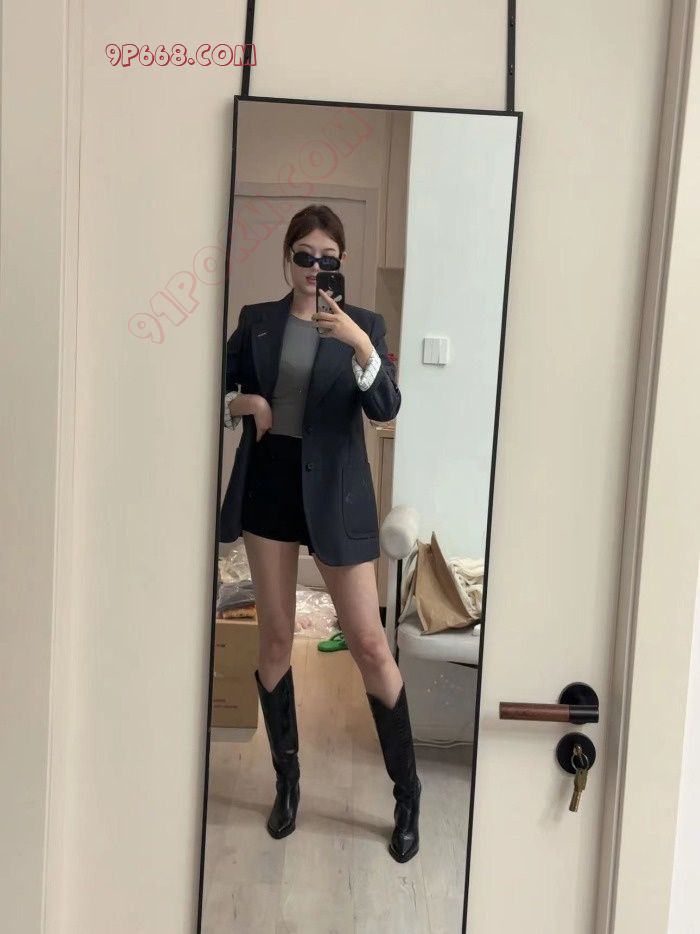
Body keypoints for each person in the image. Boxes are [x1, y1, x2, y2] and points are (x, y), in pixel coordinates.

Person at [221, 204, 421, 863]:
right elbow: (214, 389)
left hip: (336, 493)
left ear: (341, 263)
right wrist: (245, 403)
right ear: (288, 258)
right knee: (277, 637)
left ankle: (408, 794)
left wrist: (360, 345)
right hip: (271, 488)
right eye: (303, 256)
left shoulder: (364, 326)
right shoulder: (257, 320)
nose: (314, 267)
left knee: (368, 642)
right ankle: (288, 783)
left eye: (326, 258)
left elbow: (385, 406)